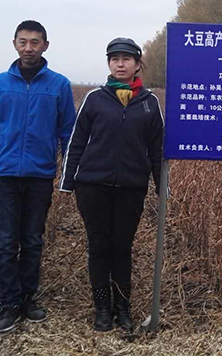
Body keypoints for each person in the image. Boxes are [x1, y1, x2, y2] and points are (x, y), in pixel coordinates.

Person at [0, 20, 77, 334]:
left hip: (39, 176)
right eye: (23, 42)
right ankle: (8, 304)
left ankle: (28, 299)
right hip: (4, 174)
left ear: (45, 45)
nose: (29, 48)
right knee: (6, 243)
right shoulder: (1, 83)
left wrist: (69, 172)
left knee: (32, 241)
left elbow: (68, 133)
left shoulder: (59, 85)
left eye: (35, 42)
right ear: (14, 44)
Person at [59, 37, 164, 332]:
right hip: (93, 186)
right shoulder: (95, 99)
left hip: (131, 187)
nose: (120, 64)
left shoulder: (149, 103)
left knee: (122, 247)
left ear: (137, 64)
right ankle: (102, 309)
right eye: (114, 59)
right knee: (99, 246)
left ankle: (123, 308)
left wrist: (162, 185)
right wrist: (67, 181)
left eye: (126, 59)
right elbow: (76, 142)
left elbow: (157, 149)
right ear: (108, 63)